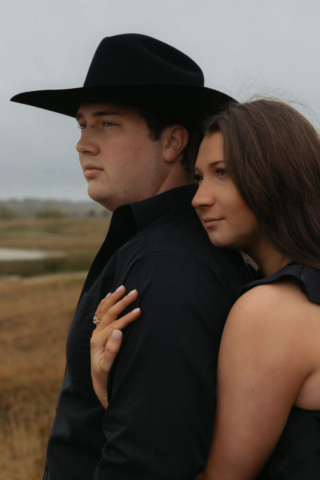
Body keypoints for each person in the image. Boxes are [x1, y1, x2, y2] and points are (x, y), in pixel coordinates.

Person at [11, 34, 253, 479]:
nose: (83, 144)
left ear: (172, 142)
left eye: (106, 124)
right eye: (81, 125)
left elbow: (147, 465)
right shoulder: (158, 247)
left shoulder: (167, 265)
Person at [92, 99, 320, 480]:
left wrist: (106, 387)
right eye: (198, 178)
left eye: (223, 173)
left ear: (279, 175)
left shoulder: (272, 310)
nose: (199, 198)